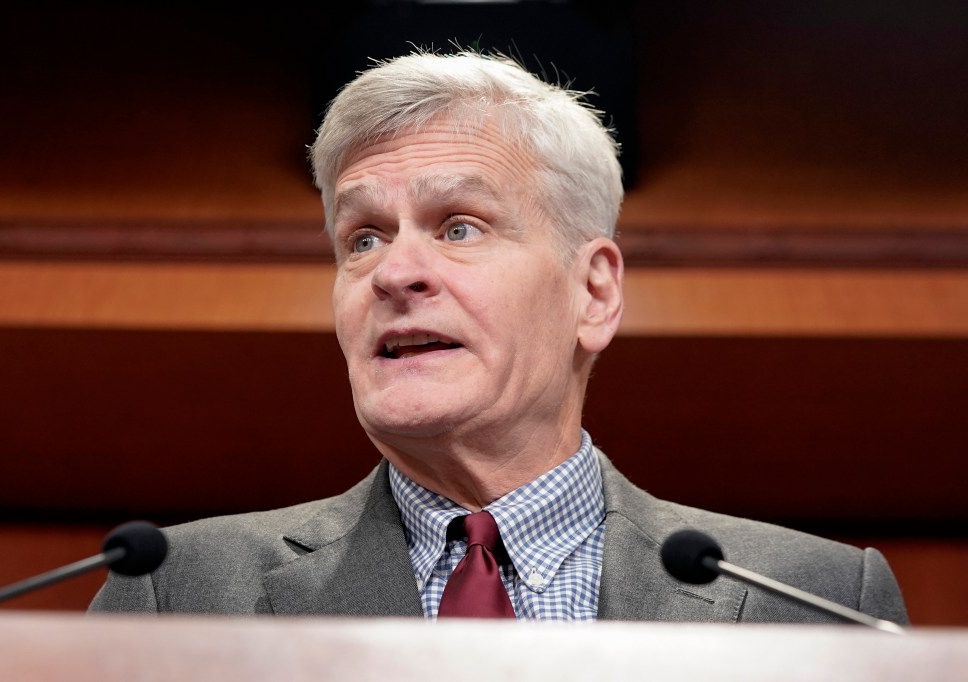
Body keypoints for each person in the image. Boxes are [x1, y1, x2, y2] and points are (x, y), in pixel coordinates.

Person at [90, 49, 907, 624]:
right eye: (363, 238)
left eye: (459, 227)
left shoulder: (810, 598)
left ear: (594, 292)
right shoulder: (177, 588)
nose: (394, 272)